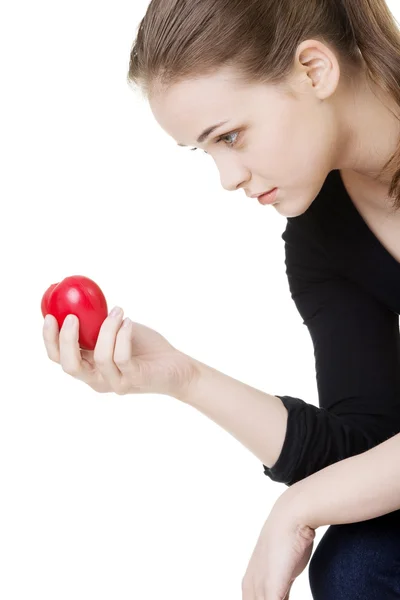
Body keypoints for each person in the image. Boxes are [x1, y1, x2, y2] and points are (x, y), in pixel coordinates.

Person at [42, 0, 400, 597]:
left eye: (230, 136)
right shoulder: (323, 237)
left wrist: (296, 509)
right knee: (359, 562)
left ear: (314, 70)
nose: (227, 177)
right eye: (206, 151)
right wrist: (183, 377)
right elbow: (366, 453)